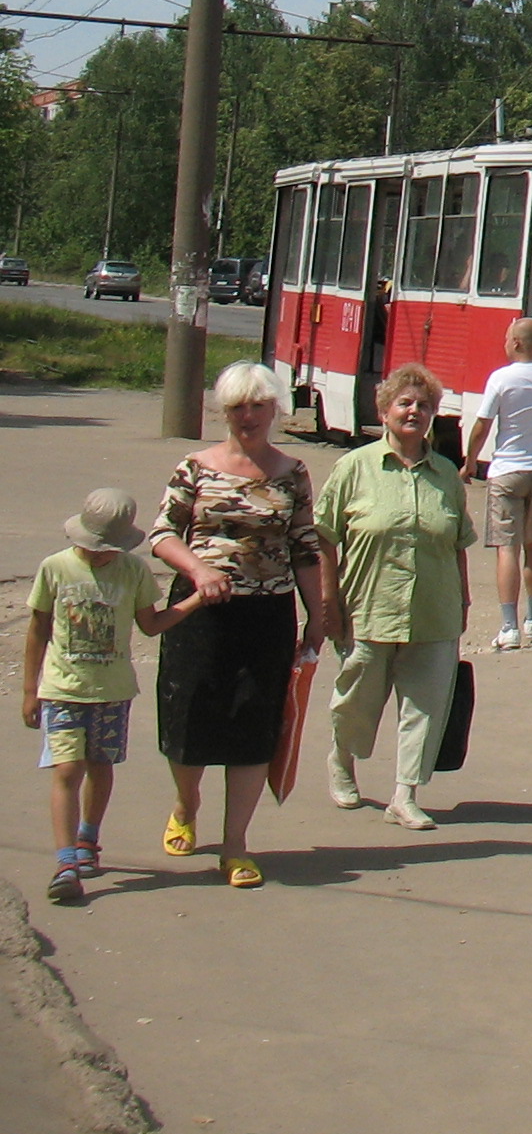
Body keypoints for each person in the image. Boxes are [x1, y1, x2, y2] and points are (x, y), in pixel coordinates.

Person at [148, 363, 328, 887]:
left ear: (275, 409)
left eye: (257, 406)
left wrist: (317, 617)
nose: (247, 417)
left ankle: (235, 846)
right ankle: (186, 804)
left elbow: (305, 547)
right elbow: (162, 534)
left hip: (268, 614)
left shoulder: (292, 472)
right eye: (236, 408)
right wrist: (199, 569)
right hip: (199, 615)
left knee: (254, 726)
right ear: (223, 412)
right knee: (190, 716)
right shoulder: (195, 467)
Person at [313, 363, 472, 829]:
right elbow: (323, 536)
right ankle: (343, 760)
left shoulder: (446, 474)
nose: (415, 411)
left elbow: (457, 543)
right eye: (405, 403)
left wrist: (462, 603)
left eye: (424, 406)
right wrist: (328, 600)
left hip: (433, 611)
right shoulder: (354, 468)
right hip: (367, 606)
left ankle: (405, 795)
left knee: (425, 705)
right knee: (356, 700)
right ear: (384, 411)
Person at [25, 490, 202, 906]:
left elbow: (152, 624)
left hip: (112, 691)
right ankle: (66, 861)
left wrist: (195, 599)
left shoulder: (134, 572)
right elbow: (37, 628)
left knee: (100, 767)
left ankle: (88, 837)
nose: (100, 555)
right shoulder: (55, 568)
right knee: (67, 770)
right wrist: (30, 690)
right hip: (62, 689)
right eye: (93, 547)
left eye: (109, 550)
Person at [462, 318, 532, 652]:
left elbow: (482, 426)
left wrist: (469, 463)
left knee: (507, 548)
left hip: (507, 472)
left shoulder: (501, 378)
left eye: (508, 338)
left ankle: (508, 628)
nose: (505, 343)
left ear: (519, 343)